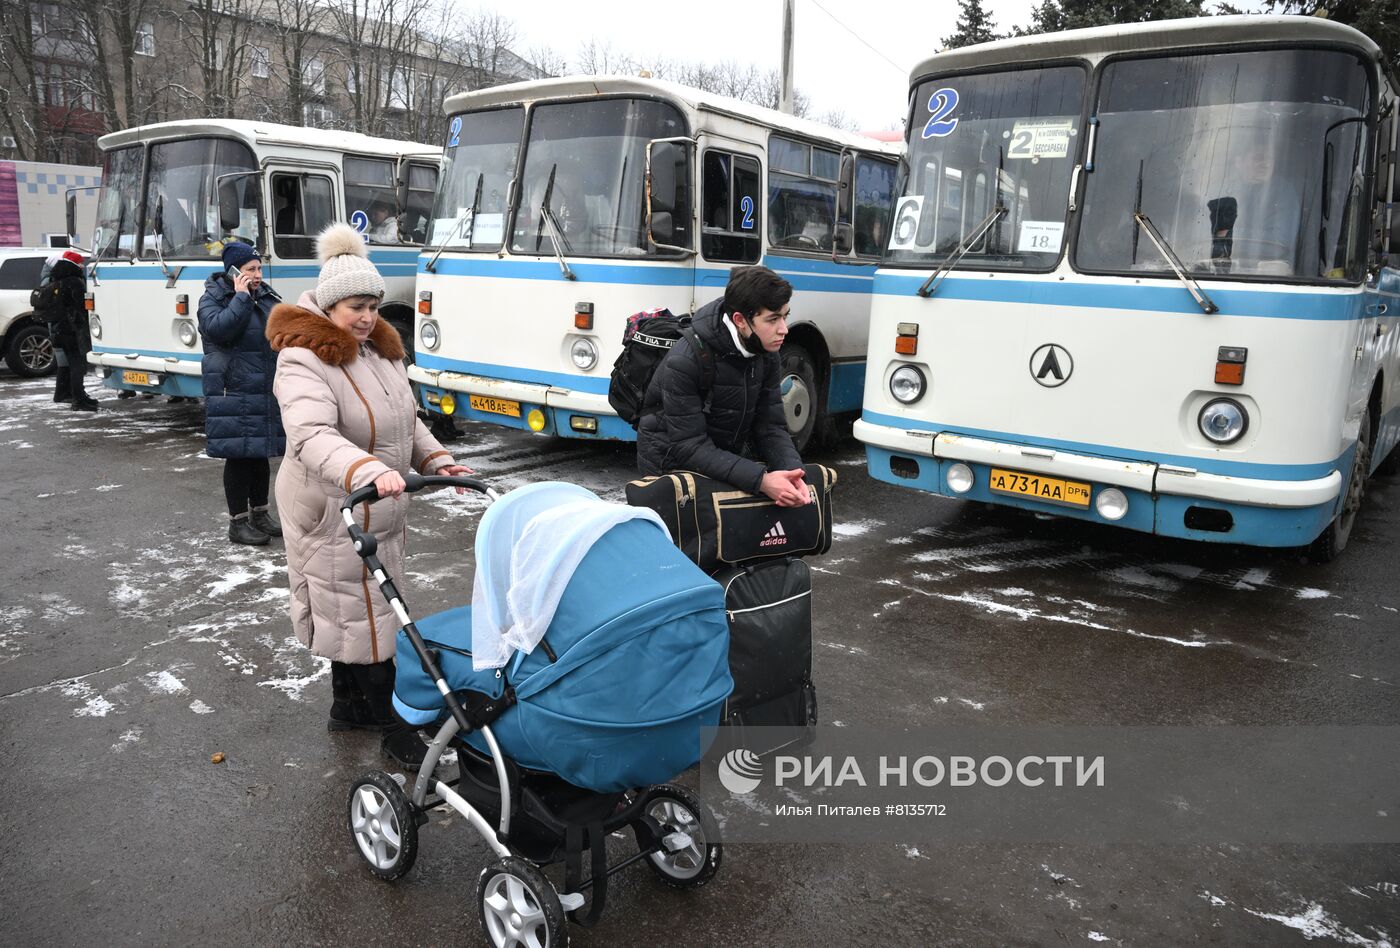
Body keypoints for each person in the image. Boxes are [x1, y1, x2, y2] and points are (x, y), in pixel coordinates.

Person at [266, 222, 472, 768]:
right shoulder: (302, 358)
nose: (367, 317)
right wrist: (366, 468)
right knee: (368, 613)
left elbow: (407, 420)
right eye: (356, 305)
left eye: (374, 306)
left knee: (360, 609)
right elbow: (311, 435)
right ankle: (390, 723)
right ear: (330, 305)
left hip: (373, 499)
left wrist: (437, 459)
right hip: (331, 502)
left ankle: (349, 707)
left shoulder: (379, 352)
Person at [636, 265, 811, 507]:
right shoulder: (685, 359)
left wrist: (793, 473)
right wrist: (761, 480)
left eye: (785, 316)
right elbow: (689, 446)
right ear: (740, 320)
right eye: (772, 319)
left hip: (720, 457)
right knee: (690, 543)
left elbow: (770, 426)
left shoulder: (765, 349)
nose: (783, 329)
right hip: (671, 468)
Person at [197, 242, 285, 546]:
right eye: (251, 269)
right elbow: (219, 330)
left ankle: (260, 514)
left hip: (262, 387)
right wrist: (241, 297)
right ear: (234, 272)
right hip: (232, 388)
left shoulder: (267, 297)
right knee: (238, 456)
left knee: (260, 453)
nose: (258, 275)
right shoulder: (213, 299)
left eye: (259, 268)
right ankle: (237, 523)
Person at [37, 249, 98, 411]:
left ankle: (78, 396)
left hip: (58, 330)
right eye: (80, 264)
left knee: (70, 365)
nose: (82, 266)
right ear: (74, 265)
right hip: (72, 331)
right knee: (77, 366)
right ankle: (78, 400)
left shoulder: (55, 279)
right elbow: (82, 307)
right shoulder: (74, 282)